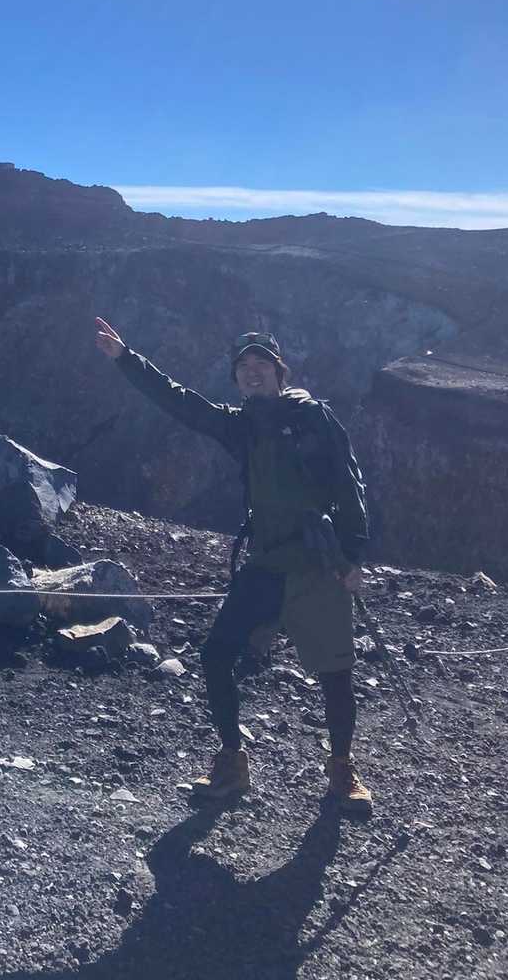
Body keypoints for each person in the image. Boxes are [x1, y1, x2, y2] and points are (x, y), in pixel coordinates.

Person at [94, 317, 373, 815]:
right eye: (243, 367)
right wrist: (126, 359)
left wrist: (353, 557)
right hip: (267, 563)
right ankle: (231, 761)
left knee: (335, 673)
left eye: (261, 363)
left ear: (280, 372)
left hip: (318, 563)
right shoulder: (241, 426)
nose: (251, 372)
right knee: (216, 654)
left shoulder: (314, 418)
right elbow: (181, 402)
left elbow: (349, 484)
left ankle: (342, 769)